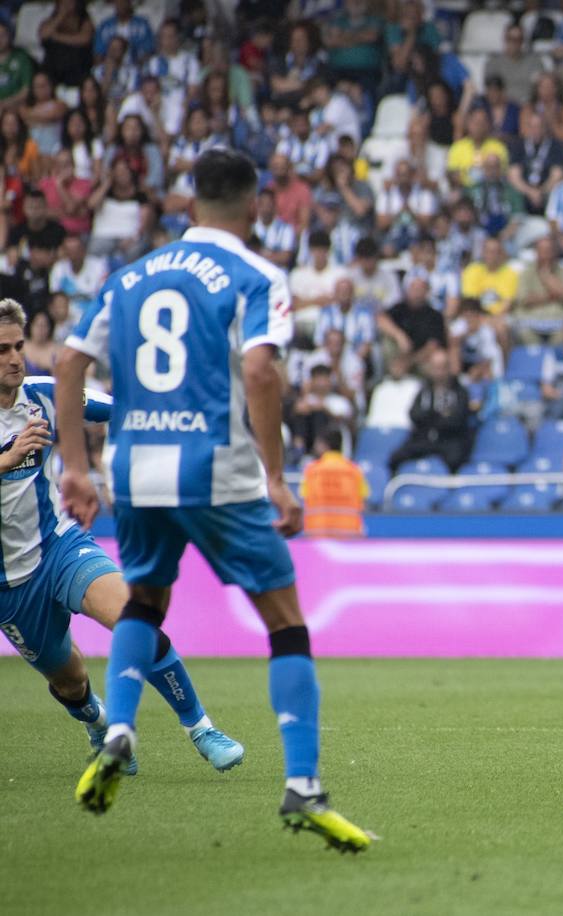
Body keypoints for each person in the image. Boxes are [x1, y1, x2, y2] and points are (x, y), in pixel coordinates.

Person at [56, 148, 371, 850]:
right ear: (256, 204)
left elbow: (68, 361)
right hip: (216, 470)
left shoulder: (129, 275)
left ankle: (120, 730)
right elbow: (260, 368)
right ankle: (304, 787)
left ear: (189, 202)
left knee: (144, 599)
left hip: (137, 469)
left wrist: (76, 468)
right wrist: (279, 477)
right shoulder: (257, 274)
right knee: (286, 623)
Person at [0, 298, 243, 774]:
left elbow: (122, 407)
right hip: (11, 586)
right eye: (2, 349)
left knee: (136, 619)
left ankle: (202, 729)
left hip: (59, 548)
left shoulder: (44, 395)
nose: (13, 357)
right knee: (69, 679)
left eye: (19, 345)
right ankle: (96, 723)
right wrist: (6, 460)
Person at [300, 429, 368, 539]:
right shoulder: (354, 471)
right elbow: (363, 501)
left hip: (317, 533)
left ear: (324, 445)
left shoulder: (311, 471)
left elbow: (304, 498)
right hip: (349, 534)